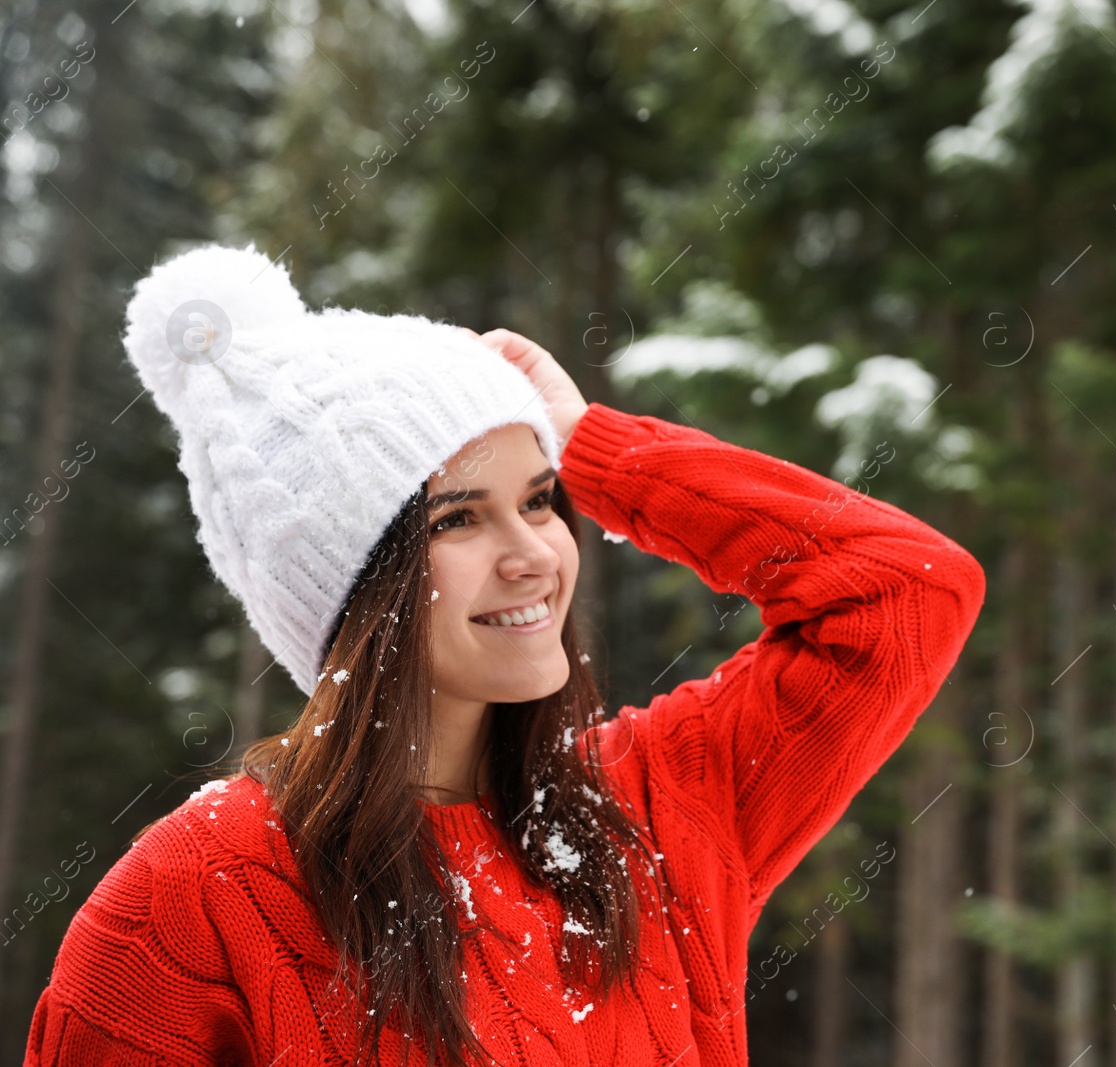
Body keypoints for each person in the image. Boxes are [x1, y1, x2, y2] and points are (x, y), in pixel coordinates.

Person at [22, 243, 985, 1066]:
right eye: (458, 518)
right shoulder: (194, 897)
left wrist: (591, 446)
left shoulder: (661, 805)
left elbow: (905, 588)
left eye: (538, 498)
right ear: (354, 588)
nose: (534, 554)